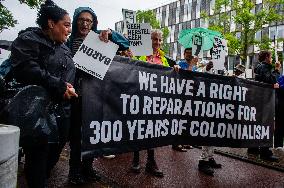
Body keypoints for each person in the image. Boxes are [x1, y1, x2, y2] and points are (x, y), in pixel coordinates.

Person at [9, 1, 77, 187]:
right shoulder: (27, 40)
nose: (69, 30)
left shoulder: (65, 48)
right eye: (66, 24)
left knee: (53, 157)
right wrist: (60, 86)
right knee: (37, 162)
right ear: (51, 23)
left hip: (62, 113)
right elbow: (27, 70)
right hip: (35, 113)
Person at [66, 7, 129, 185]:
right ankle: (74, 171)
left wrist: (110, 33)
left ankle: (88, 168)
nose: (85, 23)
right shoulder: (68, 43)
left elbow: (125, 44)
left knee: (92, 133)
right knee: (77, 136)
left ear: (94, 23)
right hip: (77, 95)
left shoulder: (101, 40)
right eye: (81, 20)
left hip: (96, 95)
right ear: (76, 20)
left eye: (89, 21)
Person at [131, 29, 169, 178]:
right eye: (154, 39)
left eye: (160, 40)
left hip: (155, 101)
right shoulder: (139, 54)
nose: (157, 43)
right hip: (140, 99)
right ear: (149, 40)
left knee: (152, 131)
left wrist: (175, 69)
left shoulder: (163, 58)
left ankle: (151, 162)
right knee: (139, 129)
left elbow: (168, 72)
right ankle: (135, 158)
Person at [249, 50, 280, 162]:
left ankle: (252, 147)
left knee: (257, 123)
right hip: (266, 101)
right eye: (271, 57)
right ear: (267, 57)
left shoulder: (258, 67)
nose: (271, 59)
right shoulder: (266, 67)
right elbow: (271, 80)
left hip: (258, 99)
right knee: (266, 125)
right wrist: (276, 71)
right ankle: (265, 152)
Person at [197, 60, 222, 176]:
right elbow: (198, 77)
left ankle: (210, 157)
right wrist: (206, 69)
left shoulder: (221, 67)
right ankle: (203, 161)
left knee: (213, 133)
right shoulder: (205, 65)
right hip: (206, 105)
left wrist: (234, 77)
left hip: (216, 105)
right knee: (206, 133)